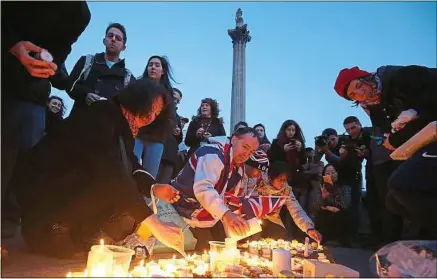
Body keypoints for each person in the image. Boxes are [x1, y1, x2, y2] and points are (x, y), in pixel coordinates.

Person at [10, 79, 183, 259]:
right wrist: (152, 222)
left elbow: (130, 163)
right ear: (138, 97)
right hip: (43, 186)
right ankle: (49, 229)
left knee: (120, 184)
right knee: (110, 182)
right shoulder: (101, 115)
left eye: (156, 113)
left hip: (62, 183)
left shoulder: (126, 127)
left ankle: (78, 233)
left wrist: (153, 187)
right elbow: (111, 170)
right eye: (151, 107)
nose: (150, 116)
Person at [1, 1, 91, 239]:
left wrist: (47, 62)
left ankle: (12, 224)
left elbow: (60, 50)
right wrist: (11, 45)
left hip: (28, 89)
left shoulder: (79, 14)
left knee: (21, 158)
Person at [334, 65, 437, 239]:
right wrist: (392, 137)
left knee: (402, 185)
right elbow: (388, 130)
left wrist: (415, 114)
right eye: (353, 94)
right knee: (394, 200)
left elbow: (428, 109)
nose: (360, 93)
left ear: (367, 77)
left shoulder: (402, 77)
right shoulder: (376, 107)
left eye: (359, 86)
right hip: (421, 145)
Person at [171, 127, 260, 250]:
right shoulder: (213, 153)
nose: (246, 154)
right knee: (204, 246)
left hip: (207, 214)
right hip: (182, 208)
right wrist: (226, 215)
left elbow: (231, 199)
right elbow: (204, 188)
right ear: (233, 139)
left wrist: (235, 226)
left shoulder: (238, 169)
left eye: (251, 152)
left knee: (223, 244)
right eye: (245, 147)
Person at [68, 22, 135, 115]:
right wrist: (86, 94)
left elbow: (131, 106)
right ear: (104, 40)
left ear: (123, 47)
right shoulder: (87, 61)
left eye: (118, 38)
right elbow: (69, 85)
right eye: (110, 36)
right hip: (81, 122)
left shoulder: (128, 76)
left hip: (110, 126)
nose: (113, 39)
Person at [251, 161, 322, 242]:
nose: (283, 183)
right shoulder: (258, 182)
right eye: (280, 180)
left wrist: (309, 228)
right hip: (254, 218)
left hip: (271, 220)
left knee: (279, 235)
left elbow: (296, 210)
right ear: (271, 178)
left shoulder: (286, 190)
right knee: (253, 234)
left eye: (285, 180)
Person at [134, 55, 176, 179]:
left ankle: (145, 198)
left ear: (163, 71)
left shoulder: (167, 93)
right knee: (131, 169)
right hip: (137, 134)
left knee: (149, 176)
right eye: (150, 64)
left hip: (156, 138)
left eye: (157, 65)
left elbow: (170, 117)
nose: (153, 67)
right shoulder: (138, 85)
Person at [315, 164, 352, 246]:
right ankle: (322, 237)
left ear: (337, 173)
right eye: (327, 173)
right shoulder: (321, 186)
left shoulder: (345, 187)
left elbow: (345, 204)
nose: (330, 175)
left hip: (341, 212)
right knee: (322, 213)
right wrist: (324, 197)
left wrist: (333, 193)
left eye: (333, 172)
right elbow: (317, 204)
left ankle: (338, 240)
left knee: (339, 214)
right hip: (326, 211)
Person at [157, 88, 184, 183]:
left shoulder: (176, 116)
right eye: (174, 98)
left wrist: (178, 132)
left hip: (170, 154)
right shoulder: (158, 108)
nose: (175, 101)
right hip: (158, 149)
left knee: (164, 181)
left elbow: (180, 139)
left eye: (178, 100)